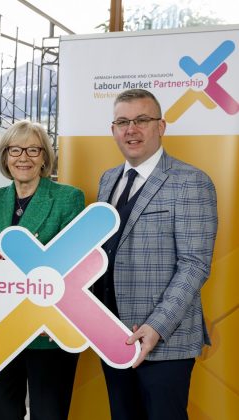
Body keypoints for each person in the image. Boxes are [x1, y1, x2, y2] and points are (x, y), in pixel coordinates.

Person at [94, 89, 218, 420]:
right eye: (122, 121)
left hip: (166, 342)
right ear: (113, 130)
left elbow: (194, 265)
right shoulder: (108, 180)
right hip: (113, 337)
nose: (130, 130)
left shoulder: (191, 182)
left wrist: (156, 326)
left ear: (161, 126)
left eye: (141, 120)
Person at [0, 120, 85, 420]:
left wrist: (25, 263)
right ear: (5, 156)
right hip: (1, 325)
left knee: (49, 413)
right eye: (15, 150)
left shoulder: (68, 198)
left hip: (47, 328)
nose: (24, 157)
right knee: (3, 412)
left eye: (33, 150)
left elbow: (74, 263)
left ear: (45, 157)